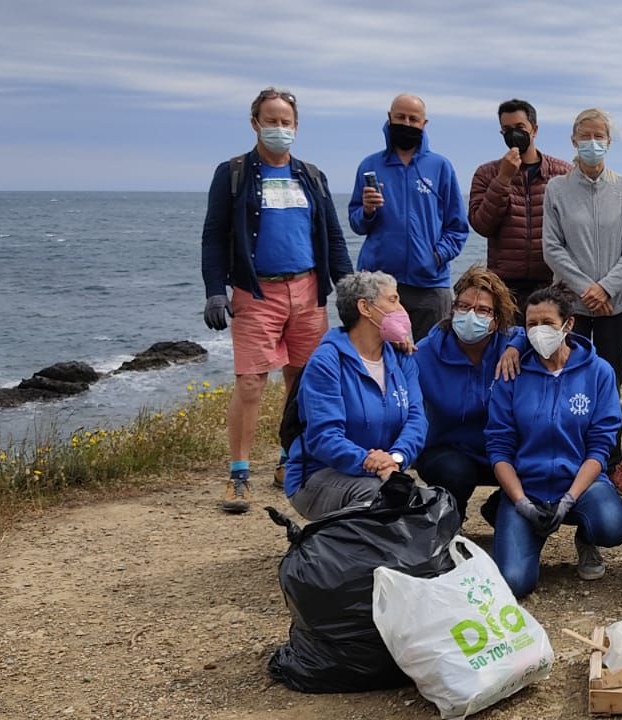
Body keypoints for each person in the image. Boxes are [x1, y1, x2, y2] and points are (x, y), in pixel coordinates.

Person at [200, 87, 352, 514]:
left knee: (303, 381)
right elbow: (213, 237)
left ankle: (291, 460)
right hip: (256, 291)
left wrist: (349, 290)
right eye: (271, 120)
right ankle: (239, 475)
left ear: (296, 126)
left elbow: (333, 237)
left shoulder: (312, 175)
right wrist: (215, 290)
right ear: (255, 123)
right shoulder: (232, 174)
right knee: (250, 383)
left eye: (286, 122)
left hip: (308, 292)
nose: (279, 128)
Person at [485, 285, 622, 598]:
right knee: (514, 583)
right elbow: (499, 446)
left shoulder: (598, 372)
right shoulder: (513, 372)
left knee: (613, 525)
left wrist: (569, 498)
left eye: (547, 323)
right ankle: (516, 520)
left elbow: (600, 446)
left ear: (569, 324)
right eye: (531, 324)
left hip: (582, 483)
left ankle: (586, 537)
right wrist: (521, 501)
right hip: (528, 486)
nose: (539, 331)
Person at [541, 108, 622, 497]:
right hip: (572, 305)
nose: (592, 142)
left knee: (610, 383)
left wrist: (607, 288)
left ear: (609, 140)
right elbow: (552, 247)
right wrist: (586, 288)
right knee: (568, 380)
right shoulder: (557, 189)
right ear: (573, 141)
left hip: (616, 306)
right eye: (585, 136)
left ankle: (612, 461)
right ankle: (571, 459)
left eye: (599, 135)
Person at [283, 272, 426, 521]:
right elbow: (324, 437)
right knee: (380, 496)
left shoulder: (402, 358)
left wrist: (395, 459)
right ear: (365, 308)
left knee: (423, 504)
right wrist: (370, 462)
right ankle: (331, 548)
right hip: (320, 477)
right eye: (393, 300)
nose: (401, 309)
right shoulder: (326, 361)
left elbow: (417, 420)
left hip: (385, 472)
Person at [348, 93, 470, 341]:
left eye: (413, 119)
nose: (406, 123)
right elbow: (355, 221)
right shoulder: (370, 165)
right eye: (400, 117)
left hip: (429, 284)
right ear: (389, 118)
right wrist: (368, 211)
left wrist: (435, 256)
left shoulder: (440, 167)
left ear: (424, 124)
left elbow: (457, 227)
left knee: (431, 355)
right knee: (379, 355)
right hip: (379, 283)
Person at [412, 265, 525, 521]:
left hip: (501, 450)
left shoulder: (512, 345)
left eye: (483, 310)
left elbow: (540, 333)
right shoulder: (426, 353)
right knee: (455, 473)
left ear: (497, 320)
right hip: (448, 450)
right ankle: (451, 517)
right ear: (453, 309)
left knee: (541, 461)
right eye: (463, 306)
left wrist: (516, 346)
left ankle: (501, 511)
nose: (471, 315)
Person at [468, 98, 572, 322]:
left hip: (551, 282)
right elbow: (482, 224)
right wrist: (503, 179)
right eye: (506, 130)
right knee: (508, 350)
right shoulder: (487, 173)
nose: (513, 135)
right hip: (505, 284)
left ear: (534, 129)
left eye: (519, 128)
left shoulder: (562, 173)